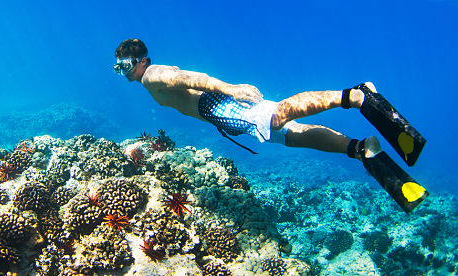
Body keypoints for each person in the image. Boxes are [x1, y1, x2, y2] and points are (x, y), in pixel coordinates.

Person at [114, 38, 429, 212]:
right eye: (119, 68)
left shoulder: (152, 75)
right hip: (221, 114)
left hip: (221, 106)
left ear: (142, 60)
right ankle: (359, 149)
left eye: (126, 65)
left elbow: (187, 78)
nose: (124, 72)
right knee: (291, 135)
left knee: (279, 115)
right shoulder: (149, 78)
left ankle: (357, 95)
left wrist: (230, 89)